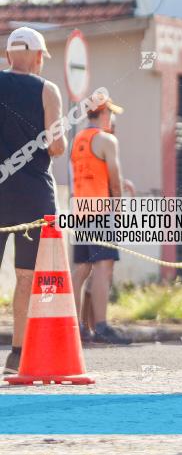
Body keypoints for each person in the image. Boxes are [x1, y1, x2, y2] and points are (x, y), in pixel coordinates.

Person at [0, 27, 65, 374]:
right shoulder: (47, 89)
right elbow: (56, 146)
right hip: (33, 198)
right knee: (26, 277)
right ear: (39, 57)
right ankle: (17, 355)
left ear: (9, 56)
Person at [70, 95, 132, 345]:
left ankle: (74, 326)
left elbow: (90, 173)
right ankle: (102, 326)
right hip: (101, 212)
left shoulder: (78, 139)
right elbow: (114, 179)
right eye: (111, 114)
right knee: (104, 268)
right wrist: (118, 209)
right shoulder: (107, 140)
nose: (113, 119)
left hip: (81, 209)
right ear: (104, 113)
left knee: (82, 269)